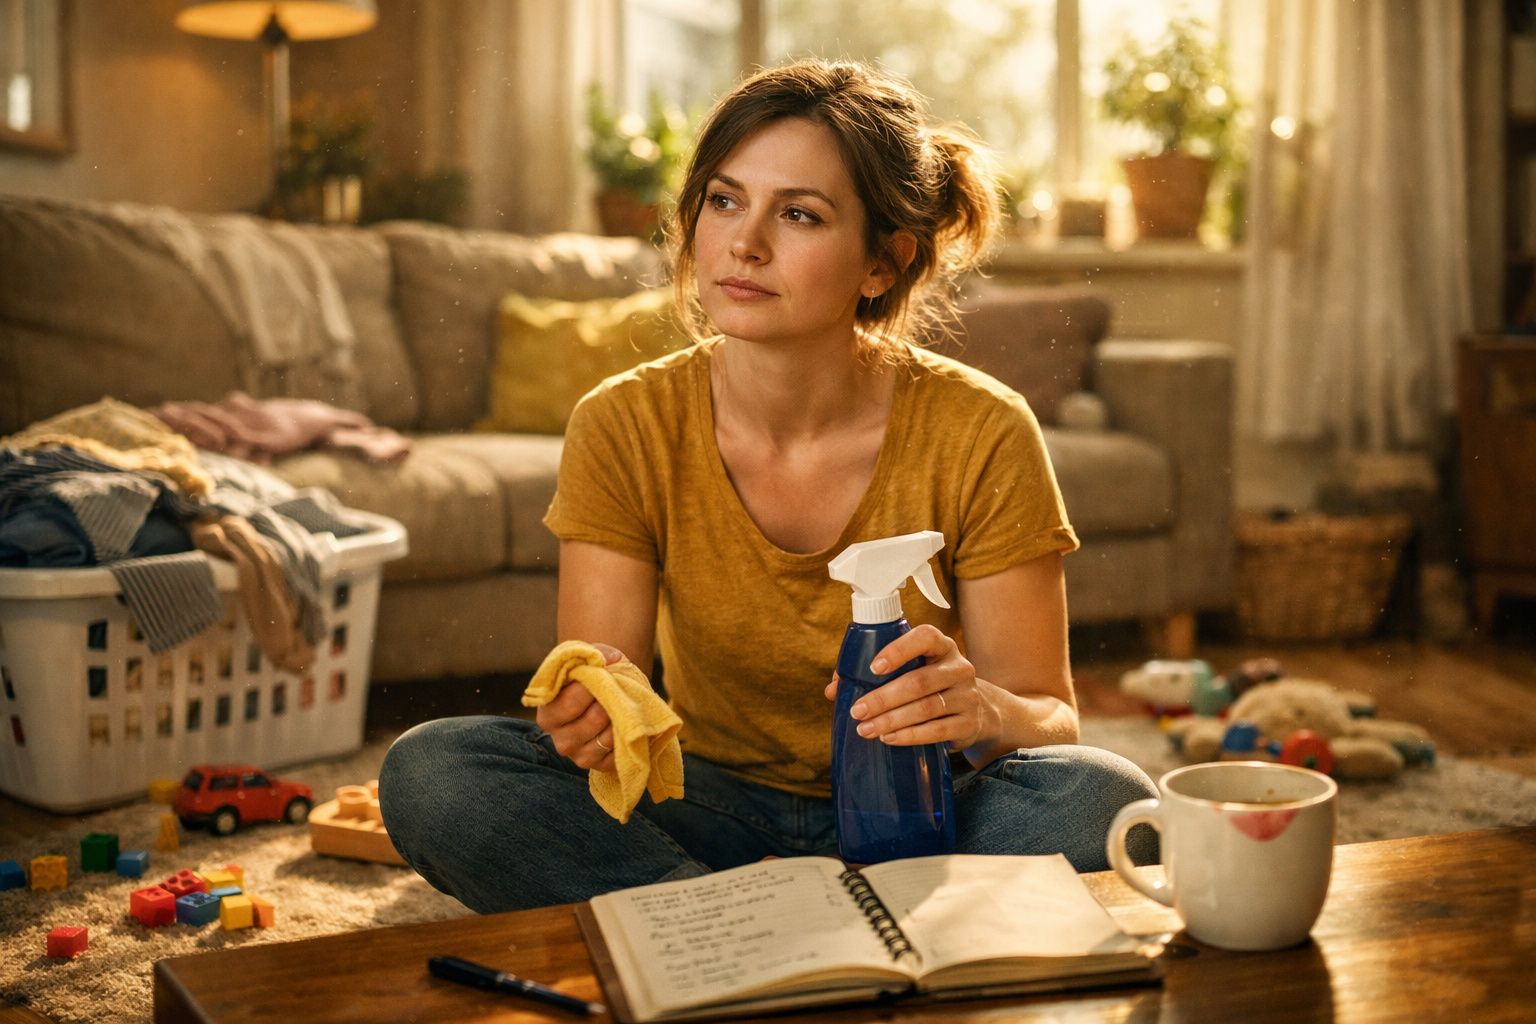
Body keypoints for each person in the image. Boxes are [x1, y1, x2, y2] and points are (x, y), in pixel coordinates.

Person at [380, 58, 1157, 914]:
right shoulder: (623, 423)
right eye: (723, 200)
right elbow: (611, 695)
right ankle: (807, 924)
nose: (744, 244)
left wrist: (978, 709)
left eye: (799, 213)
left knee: (1104, 794)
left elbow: (1051, 717)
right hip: (706, 807)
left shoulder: (983, 429)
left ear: (883, 263)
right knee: (434, 772)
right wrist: (592, 719)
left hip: (917, 811)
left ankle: (711, 925)